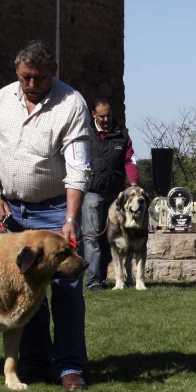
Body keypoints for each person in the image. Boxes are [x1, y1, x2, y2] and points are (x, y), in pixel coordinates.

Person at [0, 39, 92, 392]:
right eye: (25, 77)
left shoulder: (71, 104)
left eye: (38, 78)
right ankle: (34, 362)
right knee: (24, 289)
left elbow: (78, 167)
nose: (30, 84)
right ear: (16, 71)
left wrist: (70, 219)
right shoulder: (1, 101)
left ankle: (70, 366)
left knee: (67, 289)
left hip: (56, 209)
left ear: (52, 73)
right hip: (11, 212)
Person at [82, 98, 140, 292]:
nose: (106, 119)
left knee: (111, 238)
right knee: (91, 237)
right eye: (102, 116)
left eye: (109, 115)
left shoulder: (122, 135)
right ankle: (93, 281)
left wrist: (133, 185)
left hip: (116, 195)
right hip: (92, 193)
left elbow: (130, 160)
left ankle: (105, 276)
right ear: (93, 115)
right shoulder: (86, 135)